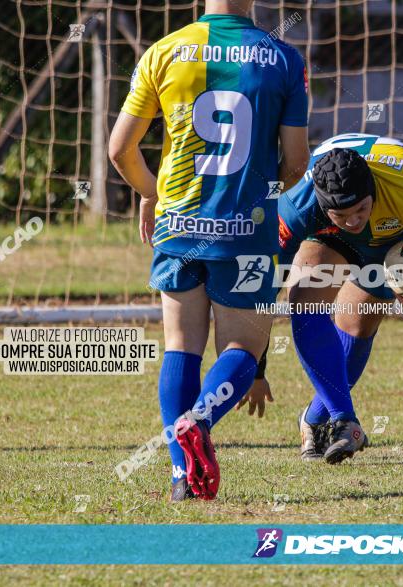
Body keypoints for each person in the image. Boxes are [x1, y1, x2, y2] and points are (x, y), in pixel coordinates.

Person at [108, 0, 309, 501]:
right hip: (247, 227)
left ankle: (182, 476)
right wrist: (263, 193)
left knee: (180, 346)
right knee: (243, 349)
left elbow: (118, 151)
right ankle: (198, 422)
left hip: (177, 223)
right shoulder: (283, 57)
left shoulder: (164, 51)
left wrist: (153, 193)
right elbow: (297, 160)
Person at [257, 133, 403, 464]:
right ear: (323, 206)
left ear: (372, 190)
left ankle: (315, 420)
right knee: (303, 301)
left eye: (360, 209)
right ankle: (346, 421)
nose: (353, 220)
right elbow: (266, 283)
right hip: (329, 240)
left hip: (394, 238)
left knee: (357, 325)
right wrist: (257, 366)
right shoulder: (297, 206)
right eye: (341, 214)